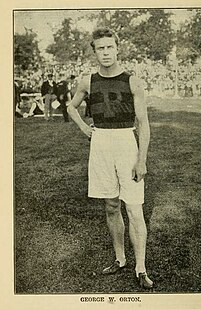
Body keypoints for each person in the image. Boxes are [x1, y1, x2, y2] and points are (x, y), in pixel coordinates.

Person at [67, 27, 153, 289]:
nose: (105, 52)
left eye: (109, 47)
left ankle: (141, 267)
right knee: (111, 206)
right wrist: (84, 128)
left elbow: (144, 124)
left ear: (117, 48)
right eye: (100, 48)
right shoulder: (87, 81)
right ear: (94, 52)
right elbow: (71, 107)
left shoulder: (132, 81)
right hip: (101, 143)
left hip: (126, 141)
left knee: (134, 208)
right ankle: (120, 259)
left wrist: (141, 160)